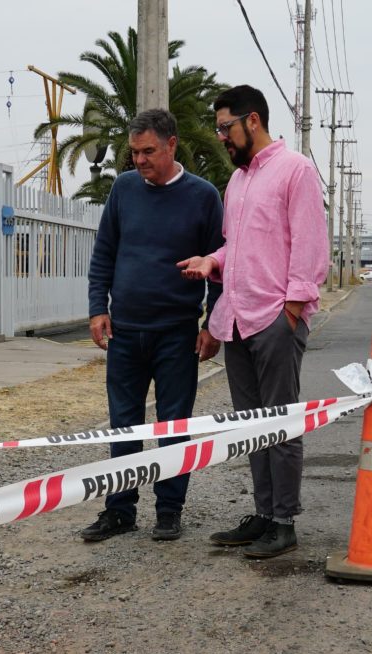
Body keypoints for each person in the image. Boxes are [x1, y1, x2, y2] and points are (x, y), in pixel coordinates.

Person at [177, 85, 328, 558]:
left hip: (275, 319)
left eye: (225, 126)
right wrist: (212, 261)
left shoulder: (295, 170)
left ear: (253, 121)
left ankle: (284, 521)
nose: (221, 136)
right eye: (219, 128)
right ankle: (263, 516)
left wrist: (292, 310)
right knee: (251, 425)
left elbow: (308, 246)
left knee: (281, 423)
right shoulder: (239, 182)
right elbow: (240, 248)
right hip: (237, 321)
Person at [81, 108, 224, 544]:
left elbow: (220, 265)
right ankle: (119, 510)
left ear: (172, 145)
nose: (140, 160)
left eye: (149, 151)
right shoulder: (123, 190)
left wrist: (211, 323)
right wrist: (97, 308)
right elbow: (104, 252)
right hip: (125, 331)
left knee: (173, 425)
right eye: (135, 151)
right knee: (123, 423)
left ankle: (169, 511)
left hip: (177, 333)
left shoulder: (203, 197)